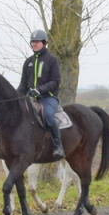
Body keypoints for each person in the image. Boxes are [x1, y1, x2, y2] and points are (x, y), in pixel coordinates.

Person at [19, 29, 65, 160]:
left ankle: (58, 146)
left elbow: (55, 81)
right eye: (32, 42)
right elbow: (23, 84)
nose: (34, 44)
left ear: (44, 43)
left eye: (37, 42)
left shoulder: (52, 60)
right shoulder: (28, 62)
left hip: (48, 98)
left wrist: (39, 90)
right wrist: (15, 96)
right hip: (31, 99)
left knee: (48, 115)